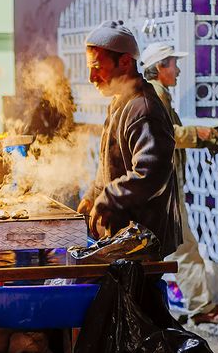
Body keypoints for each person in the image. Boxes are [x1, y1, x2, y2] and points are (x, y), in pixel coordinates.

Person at [140, 42, 218, 325]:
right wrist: (203, 134)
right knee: (185, 247)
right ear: (160, 68)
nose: (178, 69)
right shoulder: (154, 95)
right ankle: (202, 307)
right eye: (173, 64)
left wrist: (209, 135)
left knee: (168, 248)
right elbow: (168, 134)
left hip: (160, 187)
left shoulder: (156, 94)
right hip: (163, 188)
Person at [77, 20, 181, 259]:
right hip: (125, 239)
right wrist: (93, 195)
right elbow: (109, 162)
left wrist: (109, 197)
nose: (92, 77)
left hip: (142, 241)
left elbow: (151, 173)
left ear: (124, 61)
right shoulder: (119, 103)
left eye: (97, 67)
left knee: (141, 296)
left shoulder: (143, 109)